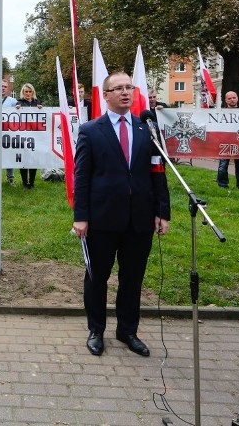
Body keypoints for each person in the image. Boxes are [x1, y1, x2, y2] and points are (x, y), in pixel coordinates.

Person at [72, 72, 170, 357]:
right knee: (97, 276)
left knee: (132, 278)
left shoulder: (146, 129)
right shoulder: (91, 130)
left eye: (130, 87)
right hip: (102, 217)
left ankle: (127, 330)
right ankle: (96, 330)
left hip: (139, 218)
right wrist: (81, 216)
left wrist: (162, 211)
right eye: (119, 88)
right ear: (106, 95)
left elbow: (158, 172)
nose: (126, 92)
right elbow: (82, 177)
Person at [217, 91, 239, 190]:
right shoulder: (220, 113)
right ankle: (222, 185)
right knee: (223, 165)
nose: (232, 100)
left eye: (234, 97)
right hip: (225, 143)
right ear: (226, 100)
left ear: (237, 98)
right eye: (229, 98)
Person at [16, 83, 43, 189]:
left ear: (33, 92)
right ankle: (24, 182)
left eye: (29, 91)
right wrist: (16, 109)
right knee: (24, 159)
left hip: (35, 136)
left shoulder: (38, 103)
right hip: (23, 136)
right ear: (23, 92)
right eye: (26, 92)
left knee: (34, 160)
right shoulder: (19, 103)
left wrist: (41, 109)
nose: (28, 93)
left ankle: (31, 183)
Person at [2, 81, 18, 186]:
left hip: (8, 132)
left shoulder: (12, 101)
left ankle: (10, 178)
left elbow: (22, 110)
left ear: (8, 88)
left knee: (9, 154)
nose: (3, 88)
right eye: (1, 86)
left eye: (5, 87)